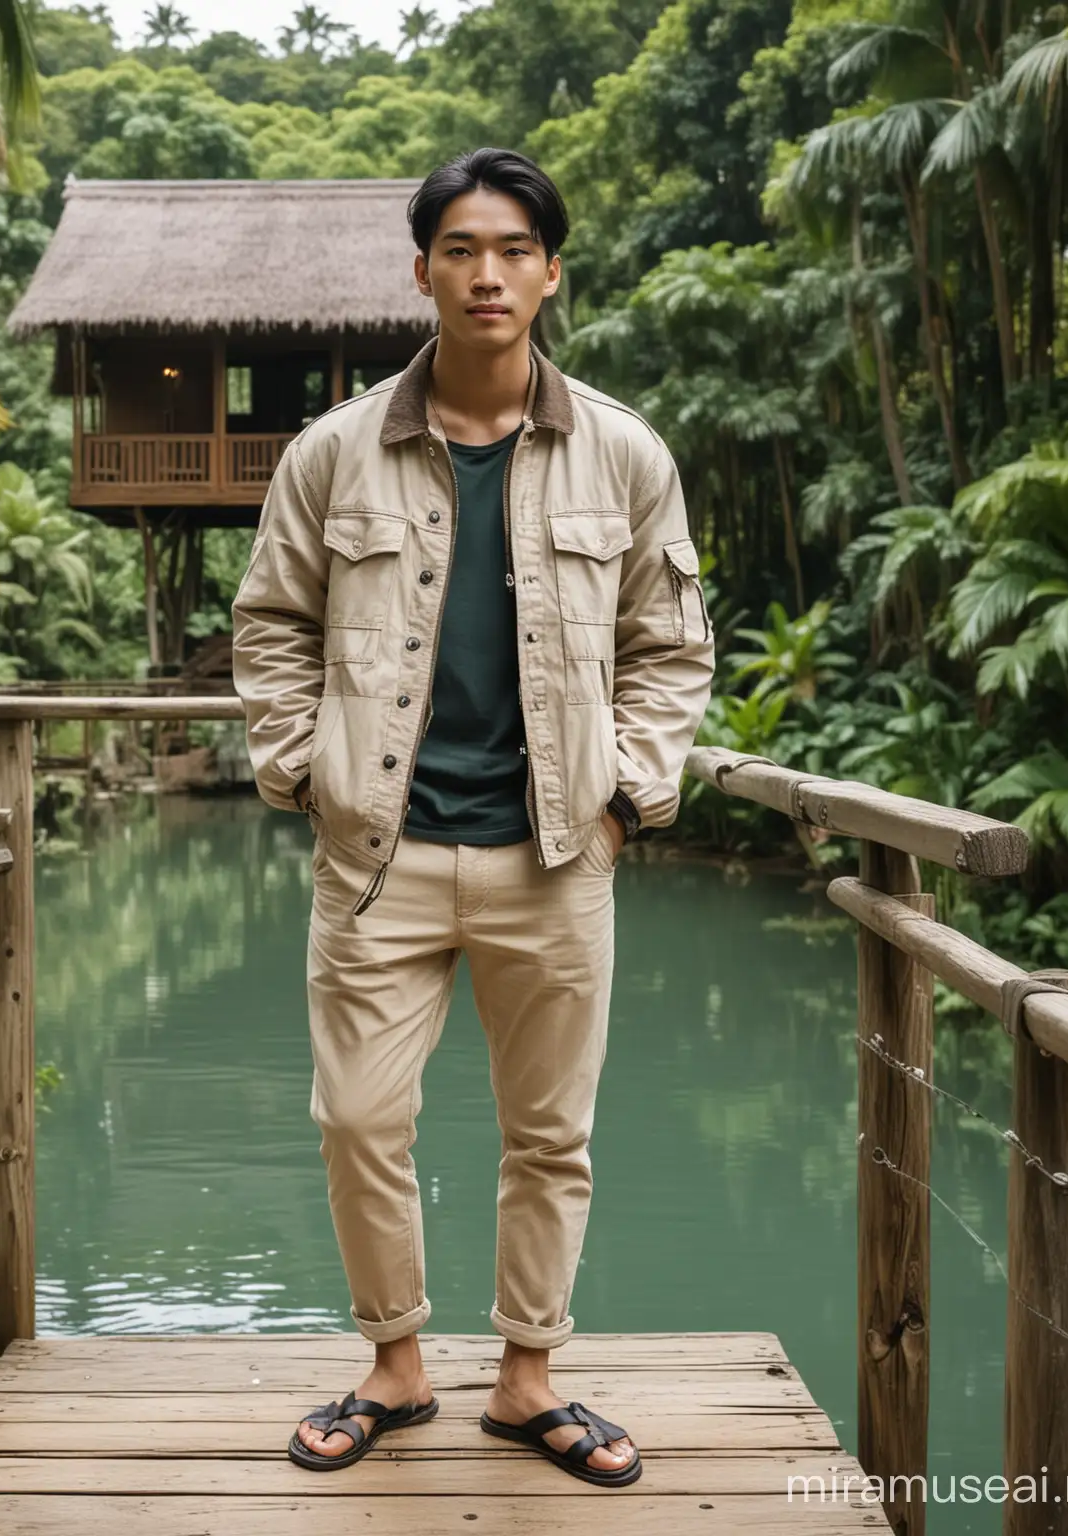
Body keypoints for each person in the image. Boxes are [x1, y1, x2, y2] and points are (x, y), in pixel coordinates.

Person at [231, 146, 715, 1488]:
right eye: (460, 247)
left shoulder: (622, 453)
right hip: (376, 858)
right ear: (423, 270)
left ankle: (527, 1381)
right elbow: (270, 625)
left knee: (550, 1135)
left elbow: (672, 648)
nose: (486, 271)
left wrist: (627, 792)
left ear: (552, 273)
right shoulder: (334, 454)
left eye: (513, 248)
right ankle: (395, 1365)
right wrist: (298, 769)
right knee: (356, 1121)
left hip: (556, 857)